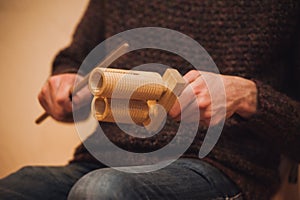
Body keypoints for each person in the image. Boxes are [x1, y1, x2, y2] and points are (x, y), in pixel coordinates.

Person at [1, 0, 299, 199]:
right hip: (103, 159)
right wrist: (65, 83)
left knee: (100, 191)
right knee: (16, 187)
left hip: (221, 166)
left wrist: (250, 97)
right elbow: (75, 61)